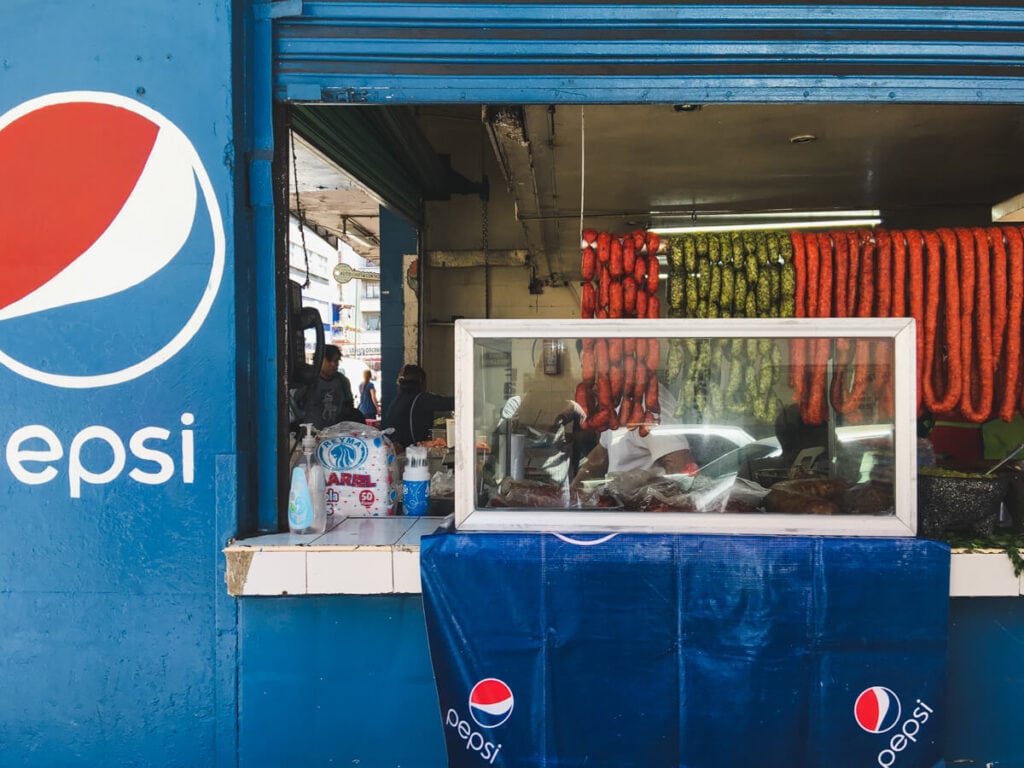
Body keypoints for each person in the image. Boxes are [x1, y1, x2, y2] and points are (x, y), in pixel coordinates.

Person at [382, 363, 454, 450]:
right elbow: (449, 403)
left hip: (396, 449)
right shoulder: (421, 399)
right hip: (412, 451)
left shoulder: (398, 399)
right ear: (421, 382)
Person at [294, 345, 359, 429]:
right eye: (329, 360)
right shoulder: (308, 381)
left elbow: (349, 407)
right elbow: (295, 406)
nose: (333, 364)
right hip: (311, 435)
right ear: (319, 360)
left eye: (336, 361)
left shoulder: (342, 381)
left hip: (336, 434)